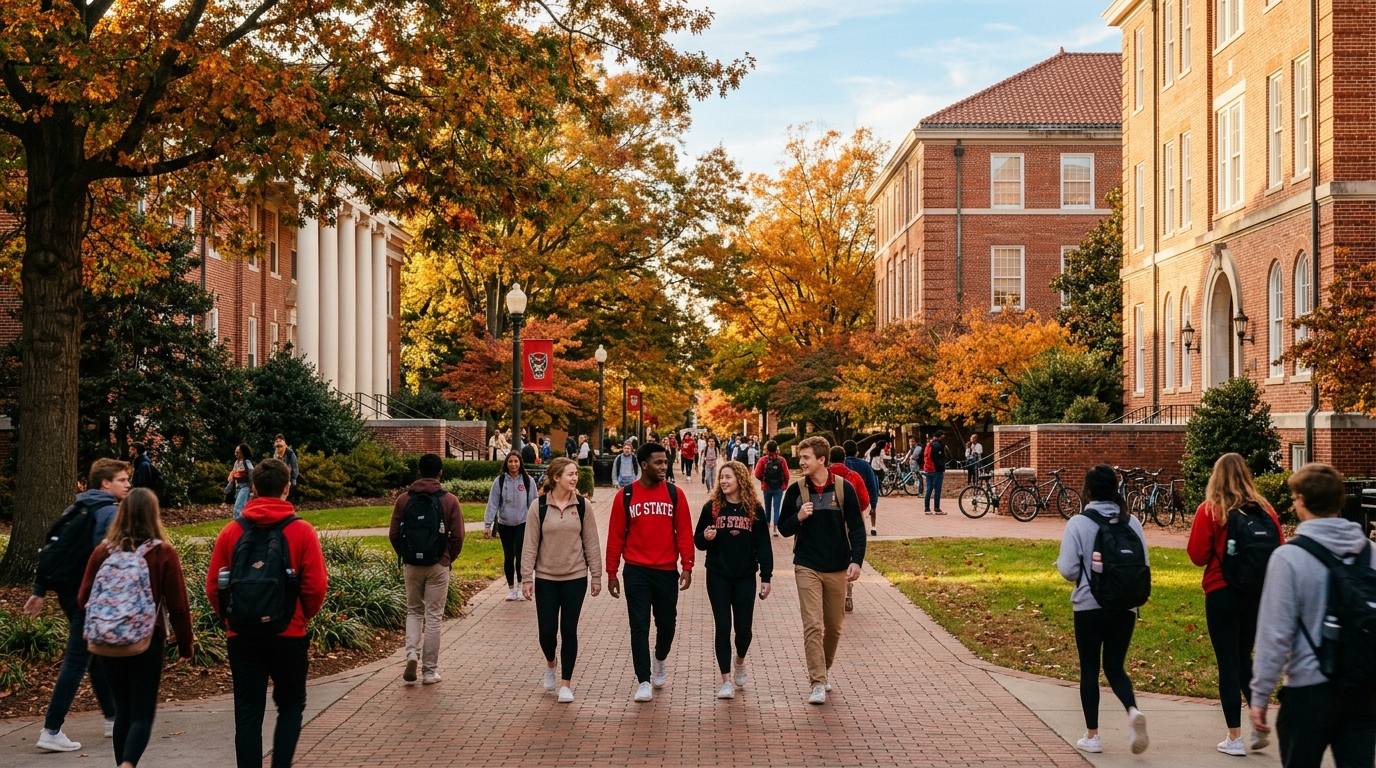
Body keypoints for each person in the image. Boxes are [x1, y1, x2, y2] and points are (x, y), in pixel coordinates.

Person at [1250, 463, 1376, 768]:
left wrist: (1260, 693)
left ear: (1302, 501)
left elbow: (1275, 634)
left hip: (1308, 691)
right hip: (1362, 688)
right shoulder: (1370, 552)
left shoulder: (1289, 558)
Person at [207, 458, 327, 768]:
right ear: (288, 487)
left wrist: (230, 618)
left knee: (247, 712)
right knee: (290, 705)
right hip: (288, 633)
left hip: (243, 634)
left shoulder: (231, 532)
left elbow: (214, 585)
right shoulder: (301, 531)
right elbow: (315, 585)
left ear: (254, 489)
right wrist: (301, 616)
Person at [78, 488, 194, 768]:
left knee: (123, 711)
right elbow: (178, 606)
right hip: (146, 641)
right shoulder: (162, 552)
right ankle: (128, 765)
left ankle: (123, 763)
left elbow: (83, 598)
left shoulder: (102, 551)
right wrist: (185, 645)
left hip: (107, 643)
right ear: (154, 515)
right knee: (142, 713)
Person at [25, 458, 128, 752]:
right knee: (77, 659)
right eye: (121, 479)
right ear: (105, 483)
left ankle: (112, 717)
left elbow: (53, 548)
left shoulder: (77, 507)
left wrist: (40, 589)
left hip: (69, 593)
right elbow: (105, 556)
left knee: (94, 655)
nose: (127, 484)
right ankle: (51, 729)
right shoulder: (109, 511)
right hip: (90, 597)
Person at [1186, 453, 1284, 756]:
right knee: (1244, 659)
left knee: (1227, 663)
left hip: (1221, 592)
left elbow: (1197, 555)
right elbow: (1279, 550)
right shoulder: (1266, 511)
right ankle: (1259, 721)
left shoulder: (1211, 510)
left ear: (1217, 476)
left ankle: (1234, 736)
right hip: (1256, 595)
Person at [1057, 464, 1150, 755]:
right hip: (1125, 605)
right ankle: (1132, 710)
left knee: (1089, 669)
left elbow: (1069, 570)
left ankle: (1092, 735)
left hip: (1088, 605)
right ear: (1115, 488)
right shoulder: (1131, 523)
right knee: (1114, 666)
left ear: (1087, 490)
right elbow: (1143, 564)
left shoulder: (1078, 523)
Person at [779, 437, 865, 705]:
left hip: (838, 566)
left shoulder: (844, 489)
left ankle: (823, 671)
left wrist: (856, 560)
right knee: (813, 625)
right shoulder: (795, 491)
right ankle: (817, 682)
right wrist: (799, 517)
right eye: (800, 457)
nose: (801, 462)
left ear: (821, 460)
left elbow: (858, 528)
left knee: (834, 627)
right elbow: (783, 528)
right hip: (806, 565)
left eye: (805, 458)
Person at [606, 442, 694, 702]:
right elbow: (615, 537)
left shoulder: (675, 494)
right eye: (658, 463)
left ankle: (659, 658)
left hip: (666, 571)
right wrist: (612, 573)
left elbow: (685, 532)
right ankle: (643, 680)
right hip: (636, 571)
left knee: (667, 624)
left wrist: (687, 566)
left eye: (665, 462)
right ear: (643, 465)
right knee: (639, 626)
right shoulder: (626, 496)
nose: (664, 467)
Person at [521, 457, 603, 704]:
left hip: (575, 576)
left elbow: (591, 541)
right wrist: (527, 577)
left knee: (569, 629)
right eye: (570, 474)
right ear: (556, 477)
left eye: (576, 473)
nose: (575, 478)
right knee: (547, 632)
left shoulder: (582, 505)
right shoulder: (539, 506)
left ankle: (566, 683)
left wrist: (596, 575)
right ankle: (550, 663)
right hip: (546, 577)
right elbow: (530, 544)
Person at [695, 461, 773, 700]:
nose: (724, 481)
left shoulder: (754, 510)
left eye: (728, 477)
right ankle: (726, 680)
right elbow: (698, 540)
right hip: (718, 574)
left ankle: (739, 660)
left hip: (745, 576)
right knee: (722, 626)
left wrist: (766, 577)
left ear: (740, 479)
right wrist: (706, 537)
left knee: (744, 629)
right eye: (721, 478)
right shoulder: (713, 507)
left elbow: (763, 546)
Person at [389, 452, 466, 685]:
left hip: (412, 563)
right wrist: (447, 558)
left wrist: (405, 554)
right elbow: (458, 536)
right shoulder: (449, 500)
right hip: (438, 563)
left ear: (419, 472)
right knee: (433, 616)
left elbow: (394, 534)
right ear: (440, 473)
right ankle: (429, 672)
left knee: (413, 610)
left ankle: (412, 653)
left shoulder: (404, 499)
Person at [484, 451, 536, 600]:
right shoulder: (500, 481)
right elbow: (493, 503)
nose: (513, 464)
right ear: (506, 463)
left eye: (516, 461)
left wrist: (536, 525)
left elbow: (533, 503)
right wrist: (488, 524)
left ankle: (520, 587)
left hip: (522, 523)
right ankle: (511, 589)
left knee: (520, 556)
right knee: (508, 557)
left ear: (520, 463)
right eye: (510, 461)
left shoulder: (527, 481)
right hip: (505, 524)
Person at [830, 445, 871, 613]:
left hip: (830, 524)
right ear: (844, 458)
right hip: (848, 523)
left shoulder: (825, 477)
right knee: (848, 556)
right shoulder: (853, 477)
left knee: (832, 558)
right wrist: (855, 512)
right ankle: (847, 588)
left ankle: (833, 593)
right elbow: (864, 499)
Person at [754, 441, 791, 537]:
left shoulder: (763, 460)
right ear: (776, 448)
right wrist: (784, 485)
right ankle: (775, 528)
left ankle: (767, 526)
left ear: (766, 449)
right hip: (779, 487)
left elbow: (757, 474)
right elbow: (787, 475)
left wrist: (764, 480)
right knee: (777, 508)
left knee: (767, 507)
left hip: (766, 487)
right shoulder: (782, 460)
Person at [844, 440, 881, 538]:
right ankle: (865, 532)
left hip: (844, 498)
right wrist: (873, 503)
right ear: (857, 452)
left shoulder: (843, 464)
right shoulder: (865, 465)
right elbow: (872, 484)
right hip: (860, 497)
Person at [923, 430, 947, 515]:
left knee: (929, 489)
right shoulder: (937, 445)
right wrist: (942, 466)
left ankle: (927, 508)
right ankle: (936, 508)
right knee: (937, 490)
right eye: (942, 437)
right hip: (936, 470)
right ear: (940, 436)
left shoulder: (929, 444)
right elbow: (937, 458)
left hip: (928, 469)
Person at [228, 443, 254, 520]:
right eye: (235, 452)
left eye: (238, 452)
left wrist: (252, 488)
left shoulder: (246, 462)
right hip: (238, 487)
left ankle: (239, 527)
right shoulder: (236, 463)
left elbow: (251, 473)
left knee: (238, 509)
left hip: (245, 487)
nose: (235, 454)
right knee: (243, 509)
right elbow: (233, 474)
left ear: (243, 453)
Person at [273, 434, 300, 500]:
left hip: (288, 480)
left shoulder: (290, 453)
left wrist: (293, 480)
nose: (278, 442)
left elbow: (294, 467)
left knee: (286, 498)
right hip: (278, 480)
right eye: (276, 441)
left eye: (280, 440)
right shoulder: (275, 454)